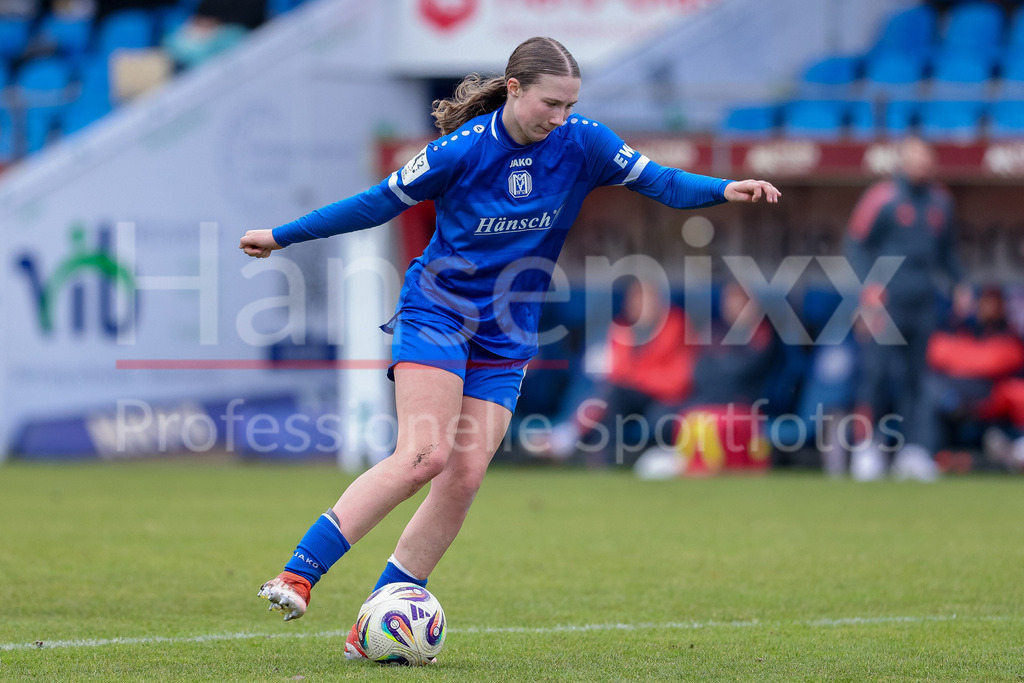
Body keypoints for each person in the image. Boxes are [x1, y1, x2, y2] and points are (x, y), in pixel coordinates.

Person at [239, 36, 780, 660]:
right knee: (423, 456)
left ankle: (378, 620)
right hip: (439, 312)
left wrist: (722, 189)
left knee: (464, 476)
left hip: (508, 330)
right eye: (551, 103)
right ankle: (298, 574)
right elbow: (373, 205)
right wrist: (280, 236)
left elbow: (661, 182)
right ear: (516, 89)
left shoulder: (584, 142)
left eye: (571, 104)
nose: (561, 116)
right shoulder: (460, 151)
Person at [844, 135, 963, 481]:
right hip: (886, 304)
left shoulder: (942, 201)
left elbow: (947, 254)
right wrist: (868, 291)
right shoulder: (881, 198)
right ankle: (866, 449)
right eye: (916, 158)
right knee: (876, 377)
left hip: (923, 302)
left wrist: (960, 284)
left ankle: (914, 451)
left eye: (927, 158)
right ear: (902, 162)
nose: (923, 165)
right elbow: (856, 246)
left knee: (918, 379)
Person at [538, 276, 696, 467]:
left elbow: (678, 381)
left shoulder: (677, 326)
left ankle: (569, 436)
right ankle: (597, 457)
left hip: (665, 399)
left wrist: (637, 377)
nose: (642, 305)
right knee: (606, 392)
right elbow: (617, 372)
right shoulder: (622, 329)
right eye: (636, 299)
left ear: (660, 302)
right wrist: (636, 377)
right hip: (627, 397)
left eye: (647, 299)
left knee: (615, 394)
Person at [906, 284, 1024, 475]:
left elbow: (995, 361)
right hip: (954, 393)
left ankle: (1016, 447)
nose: (989, 308)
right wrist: (974, 358)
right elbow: (936, 352)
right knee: (929, 388)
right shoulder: (955, 325)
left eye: (994, 303)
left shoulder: (1009, 333)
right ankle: (923, 454)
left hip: (989, 393)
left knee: (1018, 391)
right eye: (984, 303)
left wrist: (961, 359)